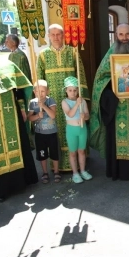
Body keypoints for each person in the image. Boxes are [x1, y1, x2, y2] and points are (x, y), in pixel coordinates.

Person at [90, 23, 129, 180]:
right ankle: (117, 170)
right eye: (121, 35)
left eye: (127, 34)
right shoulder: (110, 55)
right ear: (116, 36)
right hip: (117, 107)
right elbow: (100, 79)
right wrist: (113, 92)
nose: (124, 38)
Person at [0, 26, 38, 202]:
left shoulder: (6, 63)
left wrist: (22, 108)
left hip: (11, 115)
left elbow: (19, 89)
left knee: (17, 145)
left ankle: (20, 183)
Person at [37, 24, 90, 171]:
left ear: (63, 35)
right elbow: (39, 79)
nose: (55, 37)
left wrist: (82, 98)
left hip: (72, 97)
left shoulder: (72, 52)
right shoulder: (43, 54)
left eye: (58, 34)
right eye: (52, 34)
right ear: (48, 36)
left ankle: (79, 164)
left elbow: (81, 75)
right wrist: (41, 99)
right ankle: (58, 164)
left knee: (74, 126)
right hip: (52, 100)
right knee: (56, 128)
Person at [28, 80, 60, 184]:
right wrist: (37, 116)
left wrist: (44, 106)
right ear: (34, 92)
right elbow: (30, 118)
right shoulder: (32, 103)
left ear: (47, 91)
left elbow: (53, 115)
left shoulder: (50, 101)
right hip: (40, 134)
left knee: (54, 153)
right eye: (38, 91)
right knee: (42, 154)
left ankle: (56, 172)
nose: (40, 93)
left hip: (51, 133)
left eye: (43, 91)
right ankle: (45, 173)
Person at [61, 76, 92, 183]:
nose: (73, 93)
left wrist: (85, 116)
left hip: (82, 129)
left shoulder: (82, 101)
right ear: (66, 91)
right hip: (71, 130)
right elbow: (70, 114)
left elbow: (88, 115)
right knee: (73, 152)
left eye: (75, 90)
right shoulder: (64, 102)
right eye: (70, 90)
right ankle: (75, 173)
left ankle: (83, 171)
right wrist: (77, 104)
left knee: (82, 151)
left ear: (78, 90)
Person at [5, 34, 33, 147]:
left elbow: (25, 74)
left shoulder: (21, 56)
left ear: (13, 43)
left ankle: (28, 141)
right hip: (13, 88)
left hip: (21, 89)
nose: (6, 42)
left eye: (7, 41)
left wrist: (22, 87)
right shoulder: (10, 55)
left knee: (24, 112)